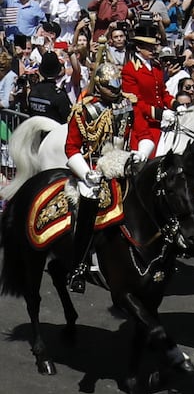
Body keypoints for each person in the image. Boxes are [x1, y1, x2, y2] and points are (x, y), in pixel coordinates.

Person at [63, 63, 129, 293]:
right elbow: (71, 147)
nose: (116, 90)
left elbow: (132, 134)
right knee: (89, 200)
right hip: (94, 168)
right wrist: (86, 172)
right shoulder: (85, 110)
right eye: (111, 87)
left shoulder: (125, 104)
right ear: (100, 87)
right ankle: (78, 265)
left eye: (118, 85)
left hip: (122, 163)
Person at [121, 20, 174, 162]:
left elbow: (163, 93)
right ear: (138, 47)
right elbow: (135, 102)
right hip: (142, 123)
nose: (153, 50)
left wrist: (176, 105)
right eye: (149, 47)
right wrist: (160, 113)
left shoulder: (156, 67)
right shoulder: (130, 70)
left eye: (153, 47)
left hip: (161, 121)